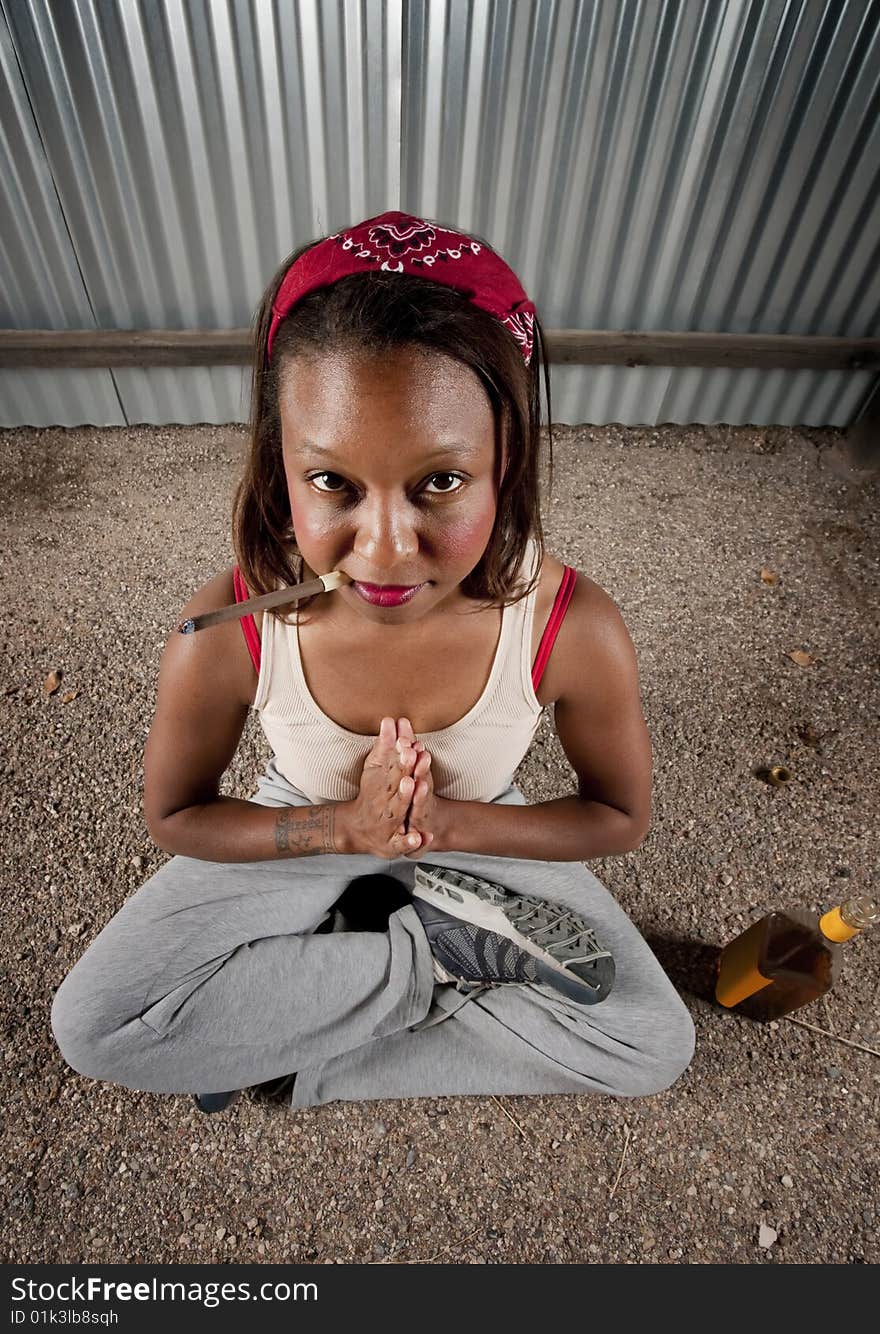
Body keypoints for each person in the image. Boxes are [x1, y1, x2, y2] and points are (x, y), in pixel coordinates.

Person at [51, 211, 694, 1112]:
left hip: (478, 838)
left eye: (440, 481)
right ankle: (428, 953)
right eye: (333, 483)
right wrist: (346, 831)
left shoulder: (570, 624)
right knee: (94, 1025)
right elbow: (175, 814)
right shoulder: (225, 626)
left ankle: (316, 1027)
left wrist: (451, 829)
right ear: (279, 461)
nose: (387, 550)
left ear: (506, 459)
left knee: (651, 1043)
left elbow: (618, 815)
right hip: (311, 827)